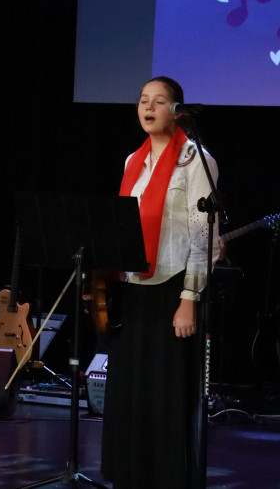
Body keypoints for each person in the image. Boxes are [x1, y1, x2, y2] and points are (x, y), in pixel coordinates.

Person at [101, 76, 218, 489]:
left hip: (172, 289)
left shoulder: (195, 159)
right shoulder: (132, 161)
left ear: (177, 110)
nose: (148, 108)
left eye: (159, 101)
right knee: (131, 392)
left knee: (164, 394)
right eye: (143, 101)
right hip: (133, 287)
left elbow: (203, 235)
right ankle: (129, 476)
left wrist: (190, 297)